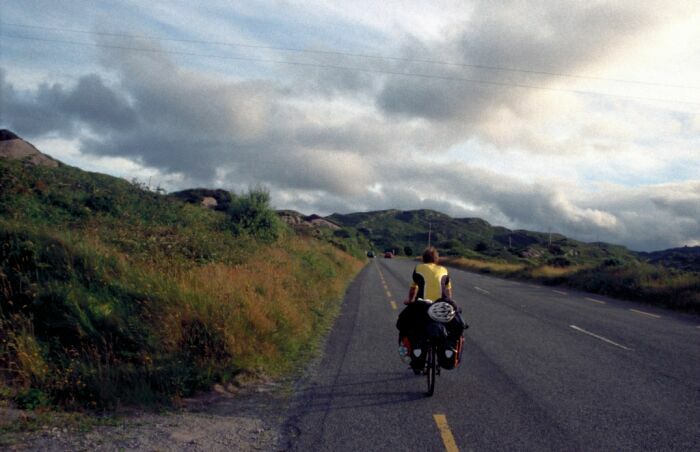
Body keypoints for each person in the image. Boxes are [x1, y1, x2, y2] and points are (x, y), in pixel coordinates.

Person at [397, 247, 463, 374]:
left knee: (404, 324)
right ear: (436, 259)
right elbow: (448, 293)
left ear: (423, 258)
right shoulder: (444, 270)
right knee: (456, 325)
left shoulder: (419, 268)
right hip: (442, 306)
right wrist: (448, 305)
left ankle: (411, 355)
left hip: (422, 306)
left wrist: (410, 301)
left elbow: (413, 289)